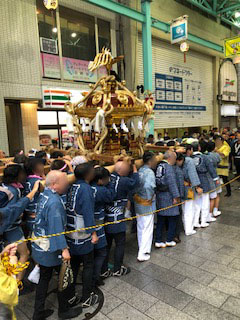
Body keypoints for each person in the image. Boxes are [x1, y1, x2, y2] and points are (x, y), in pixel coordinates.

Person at [32, 171, 81, 320]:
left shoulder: (45, 194)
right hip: (51, 249)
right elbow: (56, 228)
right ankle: (64, 311)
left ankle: (38, 312)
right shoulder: (54, 202)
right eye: (64, 181)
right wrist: (64, 249)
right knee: (63, 278)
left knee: (44, 279)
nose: (67, 183)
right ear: (54, 184)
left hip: (39, 245)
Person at [66, 163, 99, 308]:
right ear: (88, 174)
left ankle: (71, 295)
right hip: (81, 233)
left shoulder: (72, 186)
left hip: (70, 231)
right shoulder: (86, 189)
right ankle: (86, 296)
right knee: (87, 265)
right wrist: (93, 233)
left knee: (73, 266)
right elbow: (87, 213)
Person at [101, 160, 139, 277]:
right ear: (121, 170)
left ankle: (103, 269)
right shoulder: (123, 181)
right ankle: (117, 268)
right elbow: (136, 183)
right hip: (117, 219)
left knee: (107, 245)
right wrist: (135, 171)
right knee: (120, 244)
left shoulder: (107, 179)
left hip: (105, 217)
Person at [1, 165, 28, 281]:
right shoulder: (14, 191)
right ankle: (17, 282)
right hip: (12, 228)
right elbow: (13, 212)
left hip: (3, 229)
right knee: (24, 253)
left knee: (7, 255)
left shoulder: (4, 186)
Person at [91, 167, 116, 286]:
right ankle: (96, 276)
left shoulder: (88, 187)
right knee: (101, 251)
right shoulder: (101, 190)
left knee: (93, 254)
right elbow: (111, 196)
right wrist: (111, 184)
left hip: (86, 225)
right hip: (97, 225)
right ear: (100, 180)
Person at [134, 151, 157, 261]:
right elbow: (149, 186)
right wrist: (149, 197)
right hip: (146, 203)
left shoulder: (140, 170)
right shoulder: (149, 172)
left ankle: (141, 248)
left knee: (141, 227)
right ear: (150, 161)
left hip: (138, 202)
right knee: (147, 228)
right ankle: (143, 252)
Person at [155, 151, 180, 248]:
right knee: (173, 218)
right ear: (171, 158)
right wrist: (176, 196)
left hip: (160, 195)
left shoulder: (159, 166)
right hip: (168, 195)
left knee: (161, 219)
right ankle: (169, 239)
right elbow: (172, 183)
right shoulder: (168, 167)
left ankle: (158, 240)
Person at [191, 143, 219, 228]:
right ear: (199, 148)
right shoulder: (204, 157)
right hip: (204, 180)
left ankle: (196, 222)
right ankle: (204, 220)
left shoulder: (190, 158)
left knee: (196, 203)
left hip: (194, 181)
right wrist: (215, 178)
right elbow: (211, 169)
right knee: (205, 201)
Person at [181, 146, 202, 236]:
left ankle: (186, 226)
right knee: (189, 208)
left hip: (180, 187)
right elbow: (192, 174)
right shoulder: (189, 161)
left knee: (184, 208)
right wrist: (197, 186)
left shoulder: (178, 161)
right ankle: (188, 229)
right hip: (189, 188)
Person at [206, 141, 222, 217]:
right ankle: (215, 210)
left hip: (207, 176)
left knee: (209, 196)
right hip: (215, 175)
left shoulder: (205, 155)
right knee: (217, 194)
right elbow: (219, 162)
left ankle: (209, 212)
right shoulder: (216, 155)